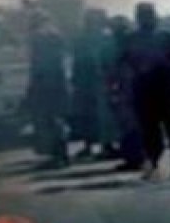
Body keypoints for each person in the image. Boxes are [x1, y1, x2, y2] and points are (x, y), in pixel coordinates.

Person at [121, 2, 170, 179]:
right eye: (142, 15)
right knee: (148, 126)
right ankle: (153, 160)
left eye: (149, 14)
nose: (146, 18)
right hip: (143, 87)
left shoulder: (165, 36)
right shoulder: (130, 38)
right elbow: (125, 63)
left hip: (165, 85)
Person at [26, 10, 70, 168]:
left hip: (44, 82)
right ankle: (62, 154)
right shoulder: (57, 35)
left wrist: (32, 86)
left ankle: (57, 155)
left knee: (48, 120)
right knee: (58, 119)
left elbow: (36, 64)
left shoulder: (37, 38)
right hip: (59, 81)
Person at [71, 9, 115, 159]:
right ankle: (89, 145)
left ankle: (107, 145)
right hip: (87, 82)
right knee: (87, 115)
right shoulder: (82, 40)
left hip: (101, 81)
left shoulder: (106, 38)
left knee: (104, 116)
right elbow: (77, 62)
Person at [105, 15, 145, 171]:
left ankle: (134, 158)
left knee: (129, 126)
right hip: (133, 88)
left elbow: (116, 68)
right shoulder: (133, 41)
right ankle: (135, 156)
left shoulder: (122, 44)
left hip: (128, 89)